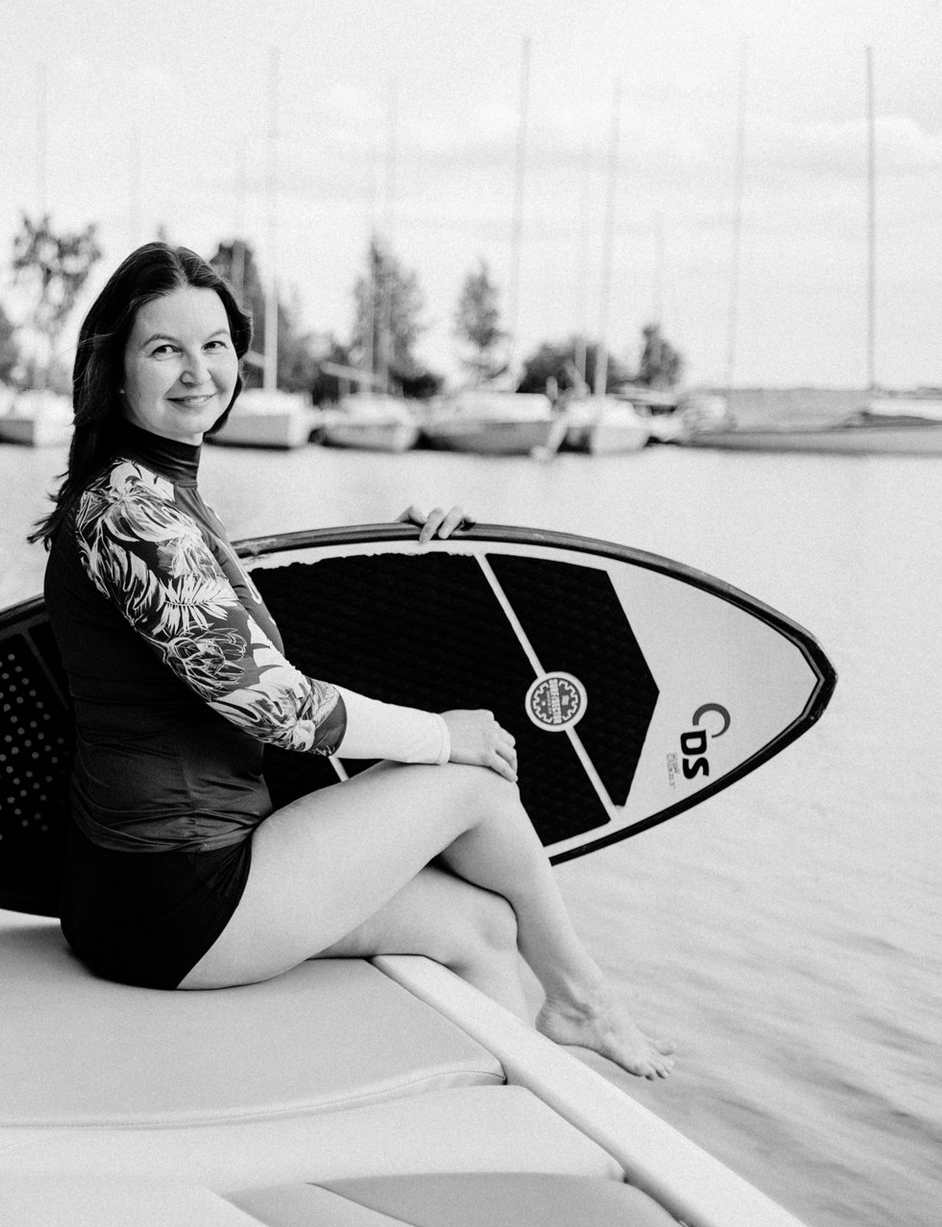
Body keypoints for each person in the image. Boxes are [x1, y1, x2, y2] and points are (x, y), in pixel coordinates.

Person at [34, 242, 673, 1079]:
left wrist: (410, 557)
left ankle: (516, 1112)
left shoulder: (154, 492)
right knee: (473, 782)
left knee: (483, 928)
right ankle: (582, 995)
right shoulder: (130, 510)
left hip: (147, 886)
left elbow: (244, 629)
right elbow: (274, 703)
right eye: (164, 349)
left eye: (215, 345)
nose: (198, 371)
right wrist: (442, 736)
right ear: (114, 370)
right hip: (175, 896)